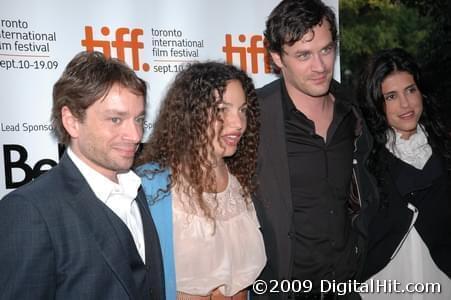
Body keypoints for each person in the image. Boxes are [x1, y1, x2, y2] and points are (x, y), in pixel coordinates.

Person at [0, 51, 165, 299]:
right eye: (116, 119)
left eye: (139, 119)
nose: (135, 135)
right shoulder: (29, 211)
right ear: (72, 121)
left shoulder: (136, 189)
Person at [253, 0, 378, 299]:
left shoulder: (354, 113)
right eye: (303, 55)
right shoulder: (253, 118)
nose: (320, 66)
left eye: (326, 50)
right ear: (277, 57)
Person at [135, 61, 266, 300]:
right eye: (222, 110)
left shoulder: (242, 186)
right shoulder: (151, 188)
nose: (238, 123)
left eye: (243, 110)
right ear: (191, 113)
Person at [357, 48, 451, 299]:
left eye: (410, 90)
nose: (405, 104)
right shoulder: (363, 160)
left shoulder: (445, 151)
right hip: (384, 286)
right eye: (391, 96)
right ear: (377, 104)